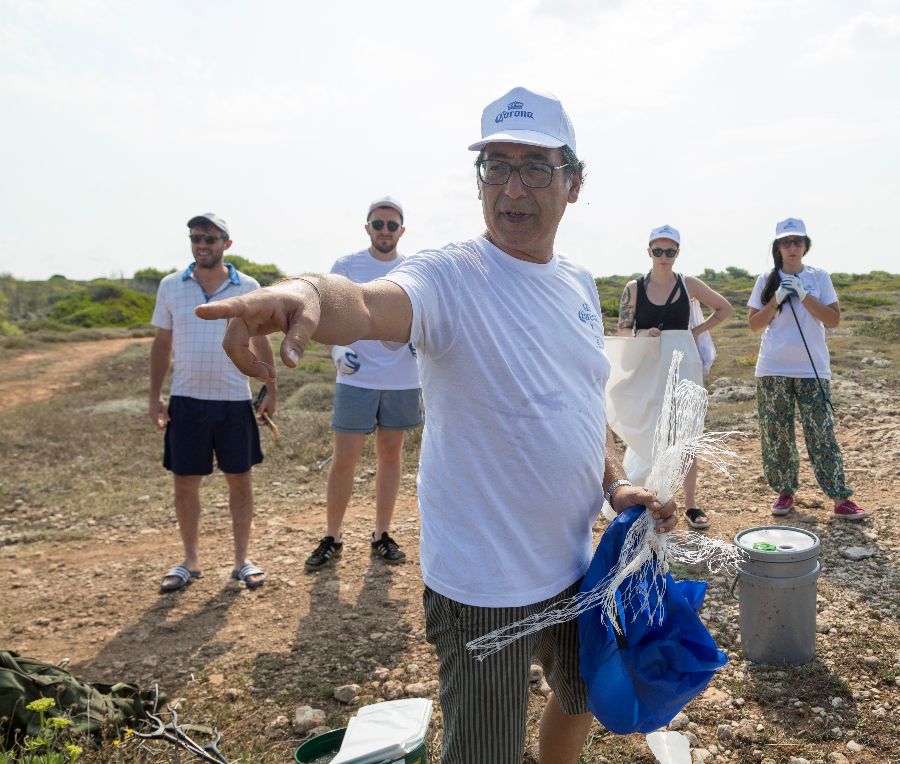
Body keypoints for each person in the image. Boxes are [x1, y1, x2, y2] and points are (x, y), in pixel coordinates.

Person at [195, 87, 676, 764]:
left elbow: (581, 401)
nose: (512, 188)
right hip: (484, 585)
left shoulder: (575, 283)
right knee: (485, 752)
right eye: (496, 166)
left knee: (580, 696)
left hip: (574, 564)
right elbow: (365, 304)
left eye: (535, 168)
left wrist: (615, 484)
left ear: (574, 182)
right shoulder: (450, 276)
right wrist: (304, 291)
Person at [148, 213, 277, 593]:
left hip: (234, 400)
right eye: (196, 237)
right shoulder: (171, 285)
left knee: (240, 480)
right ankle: (190, 561)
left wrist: (271, 388)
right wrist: (155, 396)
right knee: (185, 482)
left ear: (226, 244)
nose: (202, 244)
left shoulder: (248, 287)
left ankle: (242, 560)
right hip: (186, 401)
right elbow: (162, 343)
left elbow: (261, 340)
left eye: (210, 238)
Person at [305, 196, 421, 571]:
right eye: (378, 224)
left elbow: (424, 317)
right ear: (367, 227)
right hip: (356, 378)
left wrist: (420, 344)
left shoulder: (412, 268)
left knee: (391, 455)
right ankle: (332, 536)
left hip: (402, 379)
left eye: (392, 225)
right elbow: (324, 314)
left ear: (402, 230)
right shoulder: (346, 266)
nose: (384, 231)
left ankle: (382, 534)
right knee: (345, 458)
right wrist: (336, 350)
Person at [746, 217, 870, 520]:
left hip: (812, 369)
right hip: (773, 368)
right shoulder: (765, 279)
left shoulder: (819, 276)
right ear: (778, 247)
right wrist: (776, 299)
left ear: (805, 245)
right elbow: (754, 324)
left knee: (821, 432)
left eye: (797, 241)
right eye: (786, 242)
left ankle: (840, 497)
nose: (792, 247)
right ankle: (785, 492)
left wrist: (804, 294)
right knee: (777, 434)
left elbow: (833, 319)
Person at [616, 224, 731, 530]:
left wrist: (694, 332)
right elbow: (623, 331)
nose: (664, 256)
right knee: (649, 428)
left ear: (677, 253)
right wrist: (642, 335)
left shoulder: (689, 284)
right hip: (649, 368)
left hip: (685, 367)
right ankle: (645, 499)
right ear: (649, 251)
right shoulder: (634, 288)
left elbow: (724, 308)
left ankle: (691, 504)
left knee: (687, 434)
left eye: (670, 251)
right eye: (658, 250)